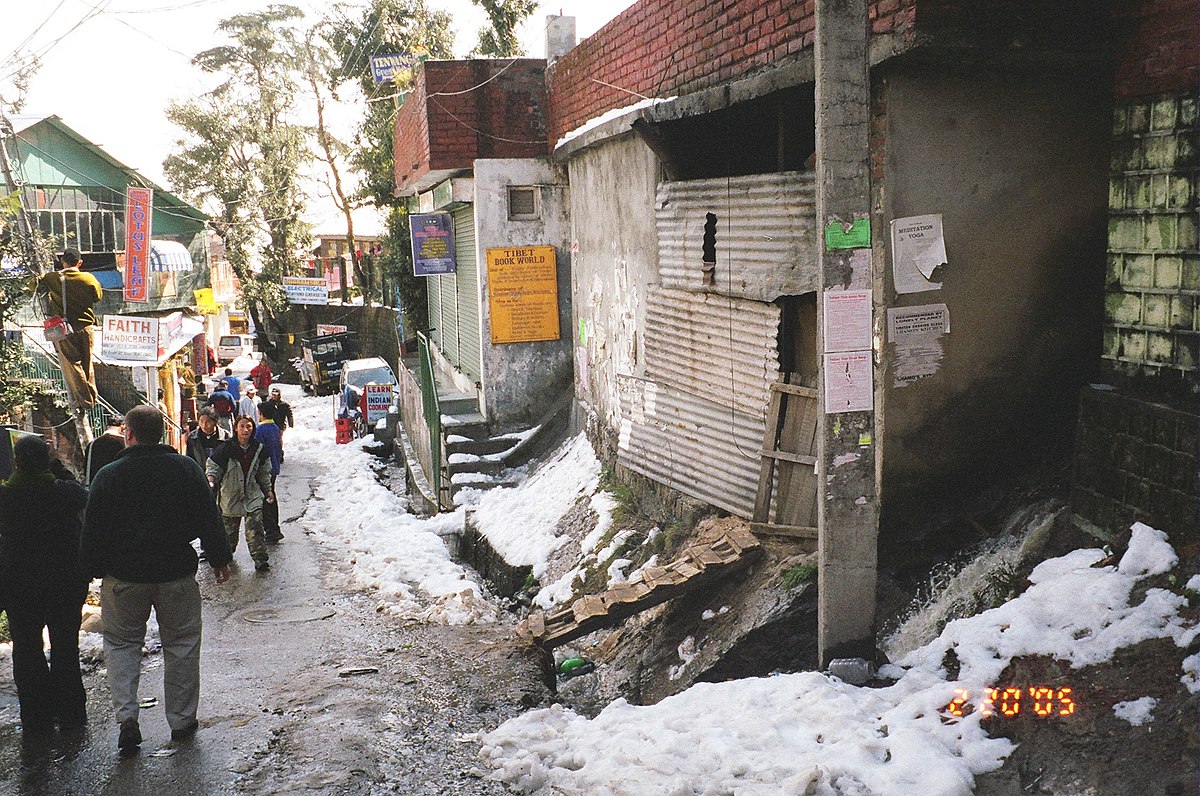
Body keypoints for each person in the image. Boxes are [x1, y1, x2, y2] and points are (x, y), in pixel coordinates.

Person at [79, 405, 232, 756]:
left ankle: (128, 719)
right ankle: (181, 720)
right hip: (175, 573)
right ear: (161, 434)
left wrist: (91, 568)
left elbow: (93, 529)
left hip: (124, 577)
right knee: (181, 644)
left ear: (128, 435)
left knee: (121, 645)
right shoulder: (186, 469)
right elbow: (209, 515)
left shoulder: (108, 475)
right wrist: (220, 557)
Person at [0, 437, 91, 733]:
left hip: (19, 585)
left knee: (26, 649)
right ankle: (71, 714)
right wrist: (58, 466)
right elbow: (80, 494)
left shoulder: (6, 497)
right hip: (64, 584)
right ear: (46, 461)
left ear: (16, 463)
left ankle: (36, 717)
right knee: (65, 647)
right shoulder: (63, 493)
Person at [32, 248, 103, 412]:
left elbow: (33, 285)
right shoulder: (88, 278)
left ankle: (86, 401)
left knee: (73, 364)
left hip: (65, 329)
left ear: (62, 261)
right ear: (80, 263)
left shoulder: (53, 278)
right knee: (87, 363)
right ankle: (92, 395)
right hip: (86, 328)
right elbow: (97, 297)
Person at [207, 415, 275, 572]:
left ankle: (260, 559)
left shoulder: (258, 449)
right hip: (230, 496)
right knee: (228, 533)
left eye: (249, 427)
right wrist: (211, 479)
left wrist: (268, 490)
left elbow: (264, 472)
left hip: (251, 494)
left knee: (255, 527)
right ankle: (225, 557)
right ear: (236, 428)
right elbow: (214, 466)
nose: (245, 430)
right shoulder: (226, 448)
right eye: (242, 426)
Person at [254, 405, 284, 544]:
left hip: (264, 470)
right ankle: (274, 528)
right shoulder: (275, 428)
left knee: (265, 499)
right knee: (272, 497)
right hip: (274, 467)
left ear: (261, 414)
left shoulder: (260, 430)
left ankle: (272, 530)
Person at [85, 414, 125, 485]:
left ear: (106, 426)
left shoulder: (92, 444)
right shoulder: (122, 443)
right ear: (122, 427)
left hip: (95, 487)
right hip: (115, 487)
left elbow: (85, 468)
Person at [260, 386, 294, 460]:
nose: (274, 396)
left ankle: (279, 454)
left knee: (279, 439)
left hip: (280, 425)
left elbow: (289, 414)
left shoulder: (284, 405)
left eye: (276, 394)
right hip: (271, 424)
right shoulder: (269, 403)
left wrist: (291, 423)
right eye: (273, 394)